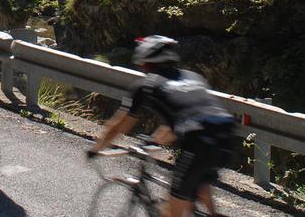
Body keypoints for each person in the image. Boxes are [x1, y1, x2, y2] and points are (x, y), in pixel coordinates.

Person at [87, 35, 235, 217]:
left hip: (199, 141)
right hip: (226, 135)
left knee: (171, 211)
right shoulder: (192, 77)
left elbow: (119, 125)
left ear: (144, 61)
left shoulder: (146, 85)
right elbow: (180, 121)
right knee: (196, 184)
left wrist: (96, 149)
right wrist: (153, 140)